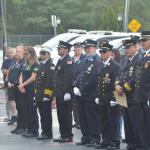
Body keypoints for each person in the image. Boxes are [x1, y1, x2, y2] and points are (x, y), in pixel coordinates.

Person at [115, 37, 145, 150]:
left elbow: (136, 77)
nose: (127, 50)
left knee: (136, 123)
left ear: (136, 47)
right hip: (122, 95)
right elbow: (119, 74)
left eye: (129, 47)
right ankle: (131, 144)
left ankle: (139, 145)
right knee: (127, 122)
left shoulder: (139, 59)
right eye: (125, 48)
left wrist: (123, 88)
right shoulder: (125, 60)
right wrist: (117, 84)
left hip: (133, 96)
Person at [73, 39, 103, 147]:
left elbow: (93, 79)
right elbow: (78, 75)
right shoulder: (84, 60)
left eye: (89, 48)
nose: (87, 50)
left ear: (95, 48)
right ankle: (85, 137)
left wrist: (81, 90)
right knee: (83, 118)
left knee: (92, 118)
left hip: (90, 95)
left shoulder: (97, 61)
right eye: (85, 48)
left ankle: (94, 138)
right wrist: (75, 86)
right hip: (80, 95)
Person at [94, 40, 120, 149]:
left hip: (111, 98)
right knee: (103, 120)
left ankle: (115, 141)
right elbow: (99, 81)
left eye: (104, 52)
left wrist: (115, 98)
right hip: (102, 98)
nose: (102, 54)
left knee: (112, 121)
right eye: (100, 52)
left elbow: (117, 83)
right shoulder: (101, 64)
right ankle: (105, 140)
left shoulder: (115, 66)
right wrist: (97, 96)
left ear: (110, 52)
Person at [53, 41, 74, 143]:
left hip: (65, 93)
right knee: (60, 114)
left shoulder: (68, 61)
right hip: (59, 92)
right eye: (58, 48)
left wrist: (67, 92)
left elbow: (68, 78)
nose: (58, 50)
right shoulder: (61, 60)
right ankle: (63, 134)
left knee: (66, 114)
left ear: (66, 50)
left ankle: (68, 135)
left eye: (60, 48)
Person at [18, 46, 39, 138]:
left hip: (31, 89)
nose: (25, 55)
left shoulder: (36, 64)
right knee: (26, 109)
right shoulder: (25, 64)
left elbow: (33, 77)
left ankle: (34, 130)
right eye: (24, 54)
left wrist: (23, 85)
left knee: (32, 110)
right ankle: (28, 128)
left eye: (27, 54)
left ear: (32, 53)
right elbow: (21, 74)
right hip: (23, 89)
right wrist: (20, 85)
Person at [35, 48, 55, 140]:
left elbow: (50, 82)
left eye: (43, 53)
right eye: (41, 53)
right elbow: (38, 80)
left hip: (45, 95)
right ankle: (44, 132)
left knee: (46, 115)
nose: (42, 55)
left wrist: (47, 95)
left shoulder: (50, 65)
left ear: (48, 54)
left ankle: (48, 133)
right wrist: (36, 94)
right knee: (42, 115)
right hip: (39, 94)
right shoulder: (42, 64)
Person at [7, 46, 25, 133]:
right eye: (16, 51)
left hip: (19, 87)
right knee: (18, 108)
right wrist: (9, 81)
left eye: (19, 52)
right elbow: (10, 72)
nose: (17, 53)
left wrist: (14, 83)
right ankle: (19, 126)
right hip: (13, 87)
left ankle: (22, 127)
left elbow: (21, 75)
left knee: (22, 108)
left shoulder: (23, 62)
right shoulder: (14, 62)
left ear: (23, 53)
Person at [72, 42, 85, 129]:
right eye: (75, 48)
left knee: (80, 105)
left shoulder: (84, 58)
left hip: (80, 84)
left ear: (82, 49)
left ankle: (80, 121)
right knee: (74, 105)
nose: (76, 49)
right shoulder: (71, 59)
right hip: (72, 83)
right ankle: (76, 121)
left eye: (78, 48)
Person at [1, 47, 15, 122]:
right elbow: (3, 71)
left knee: (15, 100)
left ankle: (15, 115)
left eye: (11, 52)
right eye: (8, 52)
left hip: (14, 84)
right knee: (7, 100)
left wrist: (8, 71)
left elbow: (16, 72)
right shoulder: (5, 61)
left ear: (14, 52)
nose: (10, 54)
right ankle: (8, 116)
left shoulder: (16, 60)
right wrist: (10, 71)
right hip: (7, 84)